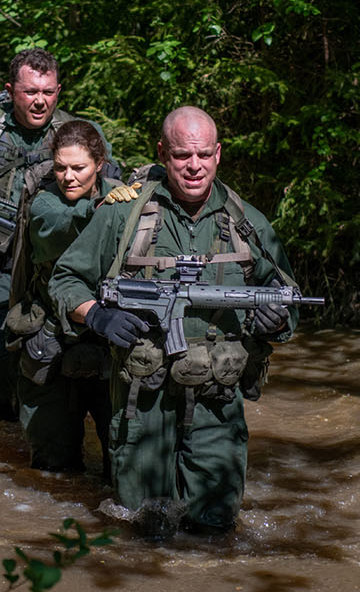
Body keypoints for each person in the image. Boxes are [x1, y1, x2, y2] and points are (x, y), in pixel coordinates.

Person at [49, 106, 298, 537]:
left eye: (203, 154)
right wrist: (98, 316)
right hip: (141, 407)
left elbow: (289, 303)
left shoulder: (248, 225)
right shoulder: (122, 216)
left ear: (218, 154)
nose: (194, 166)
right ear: (163, 152)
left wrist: (274, 321)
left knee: (216, 530)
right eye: (183, 155)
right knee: (142, 531)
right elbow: (65, 279)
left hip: (217, 406)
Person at [0, 48, 115, 423]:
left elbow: (109, 186)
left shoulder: (76, 134)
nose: (40, 101)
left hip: (53, 275)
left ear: (58, 90)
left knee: (50, 369)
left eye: (48, 92)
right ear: (10, 90)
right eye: (30, 92)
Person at [6, 119, 139, 473]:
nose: (68, 177)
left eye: (79, 168)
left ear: (100, 163)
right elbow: (59, 226)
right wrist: (102, 210)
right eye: (61, 167)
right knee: (53, 467)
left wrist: (138, 201)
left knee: (123, 461)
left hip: (108, 339)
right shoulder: (43, 203)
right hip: (52, 338)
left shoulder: (121, 195)